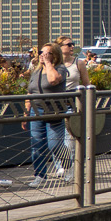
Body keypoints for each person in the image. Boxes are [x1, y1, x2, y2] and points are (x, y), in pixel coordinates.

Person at [26, 42, 73, 187]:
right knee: (37, 144)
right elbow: (30, 92)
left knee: (54, 145)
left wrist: (48, 63)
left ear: (55, 55)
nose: (42, 55)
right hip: (36, 110)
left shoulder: (60, 69)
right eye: (41, 52)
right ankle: (40, 175)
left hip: (54, 110)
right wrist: (26, 112)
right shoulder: (36, 72)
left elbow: (53, 80)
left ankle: (69, 166)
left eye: (47, 53)